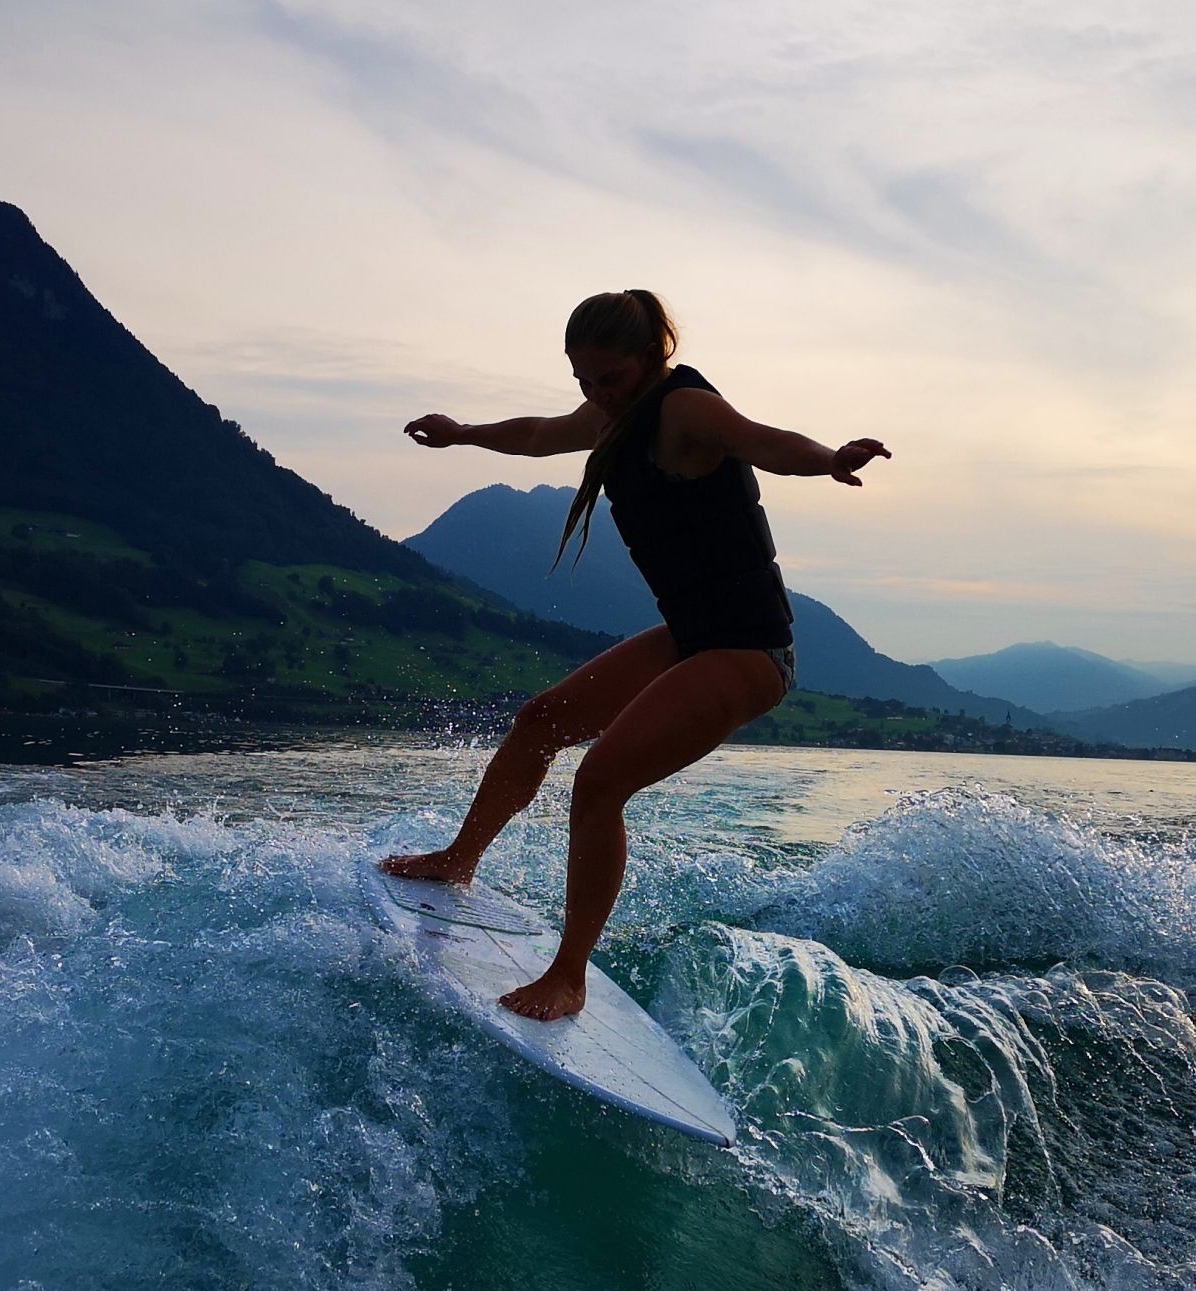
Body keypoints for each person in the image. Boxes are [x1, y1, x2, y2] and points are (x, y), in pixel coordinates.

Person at [379, 289, 889, 1020]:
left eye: (609, 379)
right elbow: (537, 432)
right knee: (542, 720)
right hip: (691, 635)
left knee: (600, 781)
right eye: (583, 381)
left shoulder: (685, 409)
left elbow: (765, 441)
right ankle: (459, 861)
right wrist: (463, 433)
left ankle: (569, 975)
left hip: (749, 650)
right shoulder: (611, 414)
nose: (596, 395)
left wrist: (831, 458)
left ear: (653, 354)